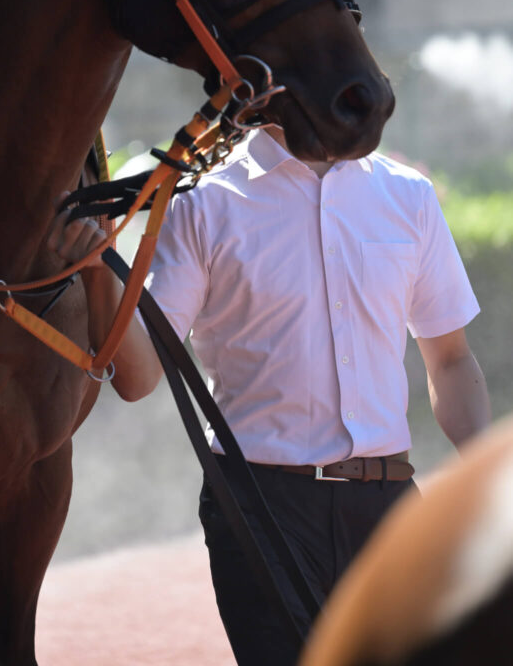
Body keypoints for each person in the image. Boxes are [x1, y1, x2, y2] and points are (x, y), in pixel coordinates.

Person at [47, 124, 491, 665]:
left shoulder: (409, 195)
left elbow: (450, 359)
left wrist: (490, 486)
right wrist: (97, 273)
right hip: (260, 508)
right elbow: (137, 380)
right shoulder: (204, 204)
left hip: (389, 503)